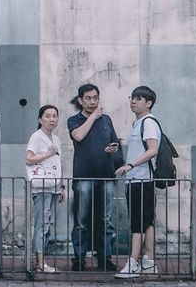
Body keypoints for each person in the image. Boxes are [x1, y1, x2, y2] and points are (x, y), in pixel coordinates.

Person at [68, 84, 121, 272]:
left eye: (95, 98)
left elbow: (114, 141)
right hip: (83, 177)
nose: (93, 101)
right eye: (88, 98)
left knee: (106, 219)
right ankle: (79, 259)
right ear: (81, 100)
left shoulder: (106, 119)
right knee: (81, 219)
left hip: (106, 176)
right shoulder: (74, 120)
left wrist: (113, 147)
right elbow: (79, 136)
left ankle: (105, 257)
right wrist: (93, 116)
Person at [114, 86, 160, 278]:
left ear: (148, 103)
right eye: (132, 97)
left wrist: (130, 165)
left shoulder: (148, 123)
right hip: (137, 181)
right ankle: (149, 262)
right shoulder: (139, 123)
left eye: (138, 98)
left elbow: (153, 149)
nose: (133, 101)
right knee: (146, 222)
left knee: (137, 224)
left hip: (142, 180)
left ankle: (133, 263)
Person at [26, 104, 65, 273]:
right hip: (41, 187)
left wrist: (61, 186)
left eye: (54, 116)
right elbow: (29, 159)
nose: (51, 119)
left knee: (47, 225)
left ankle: (41, 261)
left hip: (53, 187)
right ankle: (39, 262)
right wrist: (47, 154)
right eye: (47, 116)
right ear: (40, 119)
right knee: (42, 224)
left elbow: (57, 164)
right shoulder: (36, 136)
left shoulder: (55, 139)